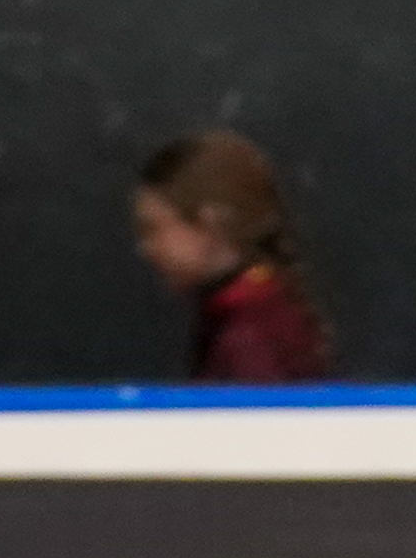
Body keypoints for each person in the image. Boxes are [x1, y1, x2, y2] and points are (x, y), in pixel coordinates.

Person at [132, 130, 332, 383]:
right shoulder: (260, 313)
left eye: (153, 229)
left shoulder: (248, 338)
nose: (146, 248)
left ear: (209, 224)